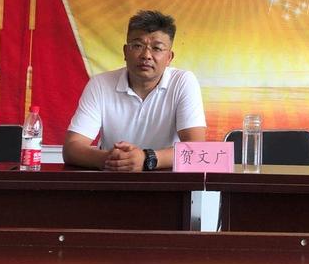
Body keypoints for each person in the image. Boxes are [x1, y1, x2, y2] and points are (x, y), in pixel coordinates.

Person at [63, 10, 206, 171]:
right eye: (137, 46)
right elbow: (72, 148)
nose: (146, 55)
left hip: (166, 180)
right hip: (114, 177)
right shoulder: (100, 84)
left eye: (157, 48)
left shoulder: (183, 82)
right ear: (125, 51)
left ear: (169, 58)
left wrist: (147, 159)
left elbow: (197, 149)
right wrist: (115, 160)